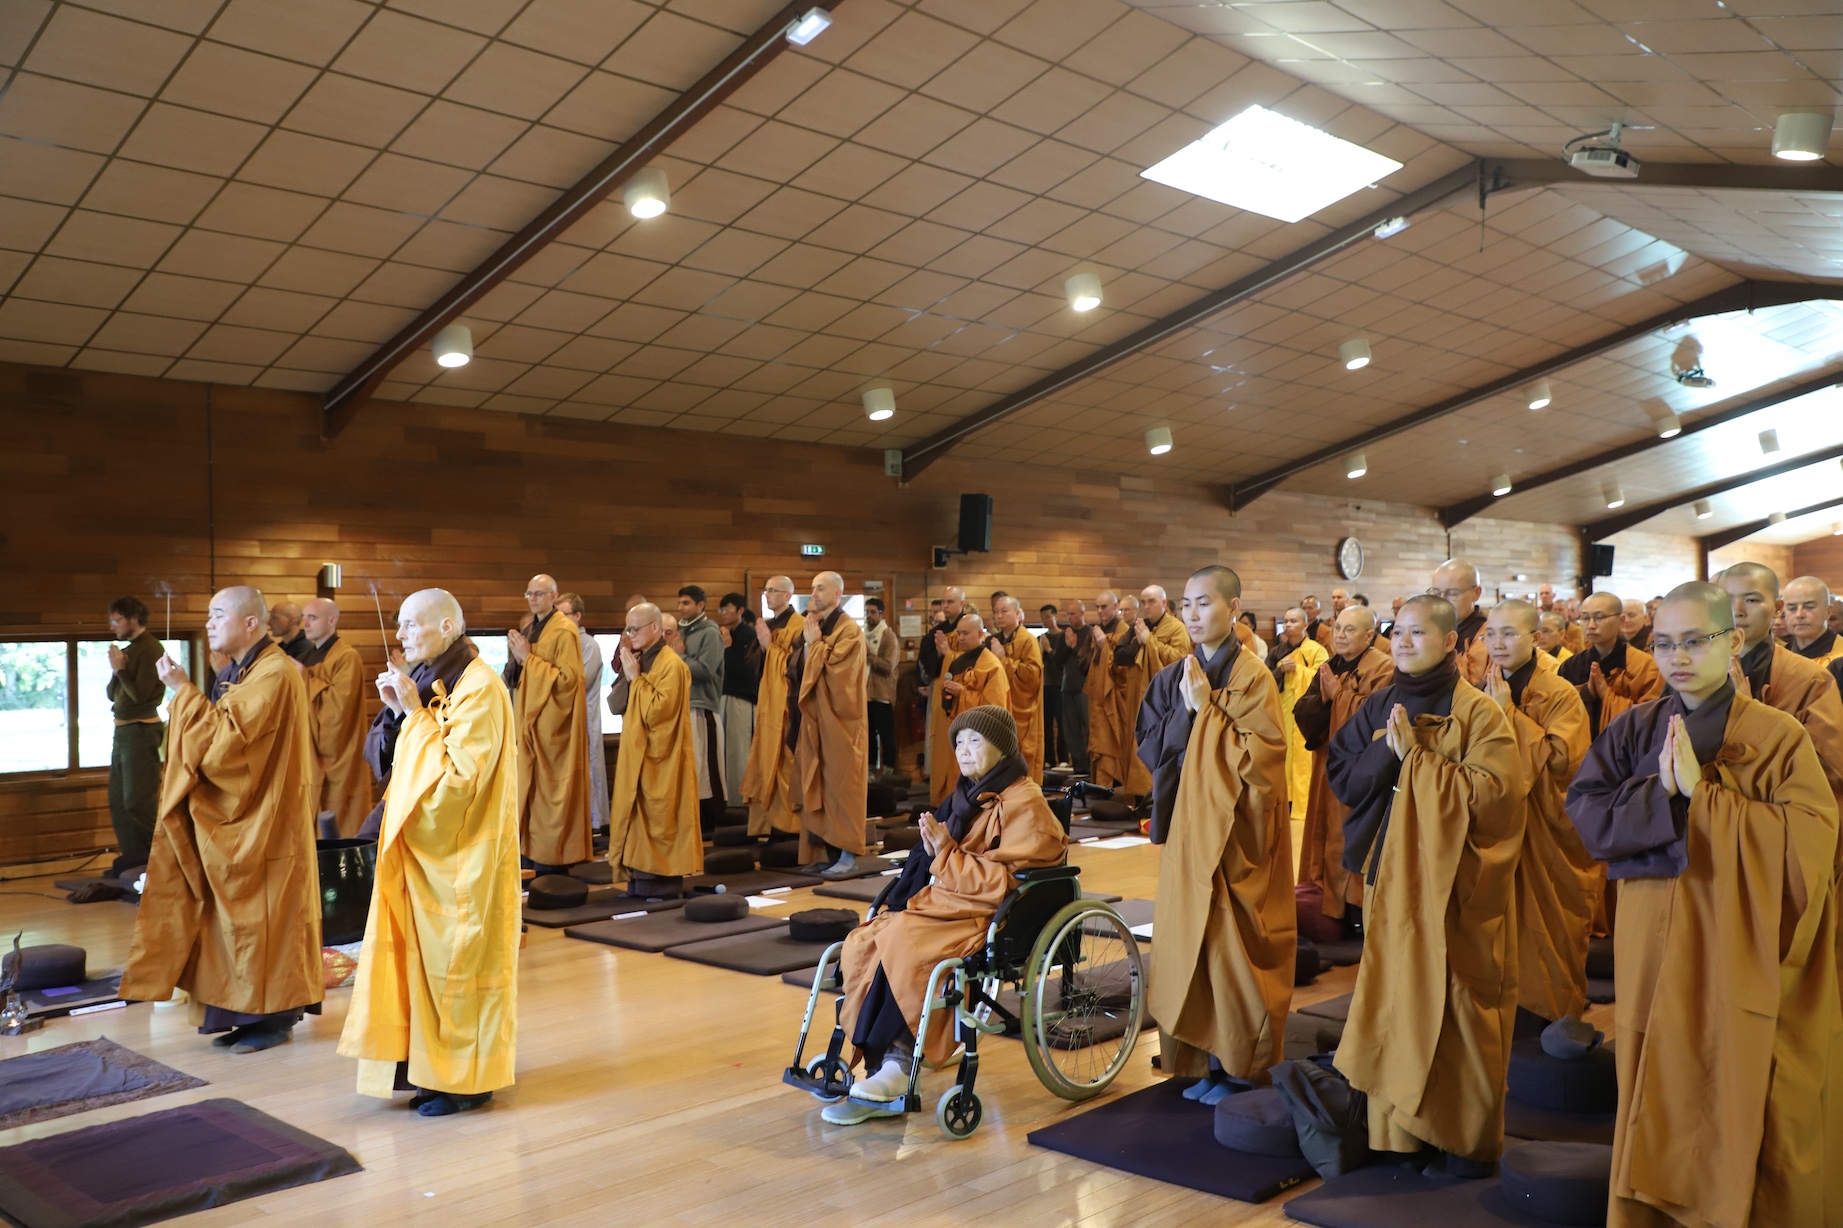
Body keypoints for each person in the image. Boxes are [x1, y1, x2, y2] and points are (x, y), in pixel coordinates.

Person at [1567, 581, 1841, 1227]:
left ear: (1734, 641)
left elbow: (1810, 840)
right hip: (1648, 934)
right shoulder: (1634, 726)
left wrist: (1704, 797)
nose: (1677, 657)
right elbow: (1586, 813)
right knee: (1653, 1068)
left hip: (1733, 933)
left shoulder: (1776, 735)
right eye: (1664, 644)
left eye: (1695, 641)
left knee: (1733, 1063)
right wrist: (1662, 795)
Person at [1327, 595, 1522, 1174]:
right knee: (1392, 997)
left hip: (1451, 886)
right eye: (1398, 633)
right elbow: (1343, 774)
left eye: (1418, 633)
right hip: (1387, 876)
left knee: (1456, 999)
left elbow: (1498, 798)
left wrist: (1418, 761)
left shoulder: (1480, 713)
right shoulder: (1380, 703)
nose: (1404, 643)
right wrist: (1391, 756)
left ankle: (1457, 1135)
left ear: (1452, 642)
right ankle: (1400, 1133)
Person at [825, 706, 1065, 1126]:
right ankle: (876, 1060)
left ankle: (900, 1062)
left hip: (984, 914)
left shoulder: (1025, 803)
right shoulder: (967, 796)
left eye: (975, 741)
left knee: (904, 942)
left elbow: (1002, 884)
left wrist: (945, 853)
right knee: (867, 938)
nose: (964, 750)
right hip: (946, 902)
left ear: (1001, 747)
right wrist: (935, 851)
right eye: (959, 742)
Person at [339, 588, 519, 1117]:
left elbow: (457, 784)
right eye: (398, 624)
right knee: (420, 967)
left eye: (411, 624)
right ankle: (428, 1071)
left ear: (445, 628)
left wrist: (415, 716)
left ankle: (468, 1082)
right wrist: (400, 714)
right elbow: (397, 764)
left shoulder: (480, 687)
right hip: (424, 857)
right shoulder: (432, 681)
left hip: (464, 858)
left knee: (457, 969)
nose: (400, 635)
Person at [122, 586, 322, 1054]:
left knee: (264, 921)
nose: (209, 624)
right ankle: (241, 1013)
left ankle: (274, 1018)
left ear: (251, 623)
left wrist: (182, 691)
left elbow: (227, 746)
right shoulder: (248, 670)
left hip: (266, 823)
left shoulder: (274, 672)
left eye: (217, 615)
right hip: (244, 817)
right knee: (229, 919)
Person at [1135, 565, 1292, 1103]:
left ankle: (1241, 1069)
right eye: (1186, 604)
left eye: (1204, 603)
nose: (1193, 614)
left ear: (1234, 608)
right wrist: (1189, 711)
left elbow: (1262, 762)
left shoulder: (1253, 677)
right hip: (1188, 828)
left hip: (1234, 834)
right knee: (1191, 945)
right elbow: (1149, 745)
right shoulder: (1174, 676)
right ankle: (1204, 1061)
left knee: (1231, 949)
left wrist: (1206, 711)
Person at [1481, 600, 1594, 1030]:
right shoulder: (1484, 685)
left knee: (1545, 925)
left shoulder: (1559, 692)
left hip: (1545, 829)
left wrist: (1507, 714)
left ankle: (1547, 1011)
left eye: (1509, 634)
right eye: (1491, 634)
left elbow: (1562, 761)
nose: (1498, 643)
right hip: (1497, 823)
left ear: (1536, 637)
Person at [1293, 604, 1391, 937]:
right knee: (1323, 833)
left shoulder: (1383, 667)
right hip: (1326, 765)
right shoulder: (1330, 666)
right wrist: (1325, 700)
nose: (1340, 635)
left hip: (1357, 773)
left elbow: (1378, 718)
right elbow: (1303, 710)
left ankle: (1354, 913)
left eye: (1350, 629)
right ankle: (1323, 903)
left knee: (1348, 836)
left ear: (1369, 635)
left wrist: (1340, 697)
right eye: (1337, 628)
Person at [605, 602, 701, 898]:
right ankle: (638, 881)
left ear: (656, 628)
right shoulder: (637, 659)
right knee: (634, 817)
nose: (630, 634)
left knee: (660, 817)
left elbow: (660, 712)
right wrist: (629, 675)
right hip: (635, 754)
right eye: (627, 629)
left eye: (635, 628)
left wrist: (637, 679)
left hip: (661, 758)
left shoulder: (672, 665)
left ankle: (661, 884)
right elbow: (614, 705)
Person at [501, 574, 590, 871]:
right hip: (529, 725)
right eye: (529, 593)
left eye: (539, 593)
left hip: (552, 729)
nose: (533, 599)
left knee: (548, 797)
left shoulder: (564, 630)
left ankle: (552, 861)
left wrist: (529, 659)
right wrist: (517, 661)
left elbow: (568, 682)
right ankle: (529, 854)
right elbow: (517, 677)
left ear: (554, 596)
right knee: (529, 793)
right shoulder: (530, 628)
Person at [787, 572, 871, 877]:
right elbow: (797, 667)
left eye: (820, 589)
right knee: (816, 783)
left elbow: (842, 678)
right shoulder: (817, 627)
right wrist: (809, 645)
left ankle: (847, 854)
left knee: (842, 787)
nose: (814, 594)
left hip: (842, 724)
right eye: (812, 588)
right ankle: (822, 852)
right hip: (816, 721)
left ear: (837, 594)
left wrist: (816, 645)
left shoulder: (850, 631)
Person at [297, 598, 371, 837]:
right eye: (304, 618)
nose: (305, 624)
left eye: (312, 618)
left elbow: (338, 711)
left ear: (332, 620)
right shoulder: (306, 656)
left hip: (338, 755)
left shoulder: (346, 657)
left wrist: (304, 677)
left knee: (339, 822)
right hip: (308, 753)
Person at [105, 596, 165, 876]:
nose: (113, 626)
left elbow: (141, 696)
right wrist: (117, 670)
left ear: (133, 619)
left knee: (138, 804)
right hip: (123, 730)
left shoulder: (151, 649)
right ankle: (132, 865)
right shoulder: (130, 650)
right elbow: (112, 694)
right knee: (119, 802)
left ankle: (155, 866)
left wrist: (121, 670)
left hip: (141, 730)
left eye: (117, 620)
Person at [743, 577, 804, 837]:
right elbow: (752, 667)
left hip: (788, 709)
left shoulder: (799, 626)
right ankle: (767, 827)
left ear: (787, 595)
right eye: (765, 590)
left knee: (785, 764)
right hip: (767, 706)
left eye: (772, 590)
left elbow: (798, 667)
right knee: (764, 763)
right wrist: (763, 646)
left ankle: (789, 828)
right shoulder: (767, 626)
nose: (767, 595)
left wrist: (770, 647)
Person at [1560, 590, 1662, 740]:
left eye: (1600, 618)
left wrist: (1606, 695)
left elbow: (1651, 718)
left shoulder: (1644, 666)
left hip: (1624, 748)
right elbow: (1560, 714)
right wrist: (1586, 694)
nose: (1591, 625)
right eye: (1585, 618)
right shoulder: (1570, 666)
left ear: (1621, 620)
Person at [928, 614, 1009, 803]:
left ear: (980, 634)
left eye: (965, 633)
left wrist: (963, 694)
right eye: (959, 634)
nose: (961, 638)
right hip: (956, 731)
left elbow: (995, 709)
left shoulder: (991, 665)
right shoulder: (956, 662)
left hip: (978, 740)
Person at [1084, 590, 1153, 804]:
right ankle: (1099, 790)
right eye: (1097, 607)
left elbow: (1124, 672)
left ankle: (1110, 791)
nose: (1100, 611)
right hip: (1099, 699)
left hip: (1115, 700)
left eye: (1104, 606)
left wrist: (1105, 646)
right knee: (1099, 745)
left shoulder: (1123, 630)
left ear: (1115, 608)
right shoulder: (1100, 631)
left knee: (1111, 747)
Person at [1268, 607, 1329, 819]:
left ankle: (1305, 804)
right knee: (1284, 755)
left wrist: (1299, 670)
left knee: (1304, 757)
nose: (1288, 625)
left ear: (1305, 624)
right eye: (1285, 621)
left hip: (1306, 711)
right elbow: (1265, 680)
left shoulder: (1317, 650)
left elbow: (1323, 679)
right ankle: (1285, 802)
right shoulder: (1276, 652)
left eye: (1293, 621)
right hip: (1283, 710)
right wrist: (1280, 670)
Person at [675, 585, 727, 831]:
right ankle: (694, 819)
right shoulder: (681, 632)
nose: (681, 608)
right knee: (691, 767)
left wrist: (680, 656)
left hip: (703, 706)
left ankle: (713, 821)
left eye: (686, 603)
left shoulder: (710, 633)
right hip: (683, 705)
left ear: (700, 605)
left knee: (707, 766)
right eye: (679, 603)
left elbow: (706, 671)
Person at [556, 593, 606, 834]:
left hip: (584, 715)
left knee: (590, 767)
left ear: (577, 616)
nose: (558, 620)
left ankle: (595, 824)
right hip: (563, 718)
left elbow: (576, 684)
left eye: (563, 615)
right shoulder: (561, 643)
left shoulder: (589, 645)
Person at [988, 596, 1045, 782]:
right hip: (1001, 705)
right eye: (996, 612)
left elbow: (1033, 676)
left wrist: (1004, 659)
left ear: (1017, 613)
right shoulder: (994, 640)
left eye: (1004, 611)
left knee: (1022, 753)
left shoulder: (1027, 640)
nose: (999, 616)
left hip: (1022, 707)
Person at [918, 587, 968, 786]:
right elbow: (928, 665)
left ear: (962, 603)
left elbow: (974, 660)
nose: (945, 606)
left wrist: (948, 653)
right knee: (939, 738)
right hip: (940, 690)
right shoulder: (936, 633)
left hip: (963, 692)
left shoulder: (969, 627)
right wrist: (939, 655)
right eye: (943, 602)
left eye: (950, 602)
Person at [716, 592, 760, 805]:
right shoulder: (726, 633)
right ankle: (729, 799)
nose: (723, 613)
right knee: (726, 751)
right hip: (725, 696)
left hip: (743, 698)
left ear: (740, 610)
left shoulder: (749, 634)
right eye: (721, 609)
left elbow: (744, 671)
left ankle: (741, 800)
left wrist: (727, 647)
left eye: (728, 608)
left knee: (739, 751)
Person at [1430, 558, 1488, 684]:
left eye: (1452, 593)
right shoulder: (1431, 630)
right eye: (1436, 594)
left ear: (1476, 593)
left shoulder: (1488, 636)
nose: (1442, 601)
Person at [1053, 601, 1089, 773]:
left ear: (1082, 613)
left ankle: (1090, 766)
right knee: (1070, 731)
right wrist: (1067, 645)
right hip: (1067, 687)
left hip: (1085, 687)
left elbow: (1089, 661)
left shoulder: (1089, 633)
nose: (1070, 618)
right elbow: (1057, 660)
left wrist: (1074, 646)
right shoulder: (1064, 635)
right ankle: (1079, 766)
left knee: (1088, 729)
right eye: (1068, 614)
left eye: (1073, 614)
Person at [865, 596, 899, 772]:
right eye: (867, 612)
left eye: (873, 612)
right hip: (866, 693)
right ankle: (870, 770)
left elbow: (888, 666)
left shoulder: (888, 637)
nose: (869, 616)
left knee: (886, 735)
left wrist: (869, 656)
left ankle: (888, 771)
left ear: (881, 614)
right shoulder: (864, 635)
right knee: (868, 734)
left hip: (882, 693)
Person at [1782, 575, 1843, 667]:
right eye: (1792, 608)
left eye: (1809, 607)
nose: (1799, 614)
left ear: (1828, 611)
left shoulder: (1840, 657)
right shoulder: (1779, 657)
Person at [1036, 603, 1065, 767]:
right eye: (1042, 618)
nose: (1045, 621)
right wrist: (1041, 650)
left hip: (1060, 684)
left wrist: (1048, 649)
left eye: (1047, 617)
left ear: (1055, 616)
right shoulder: (1040, 638)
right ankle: (1048, 758)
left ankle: (1063, 758)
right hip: (1045, 685)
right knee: (1045, 723)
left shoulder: (1063, 637)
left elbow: (1061, 662)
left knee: (1062, 723)